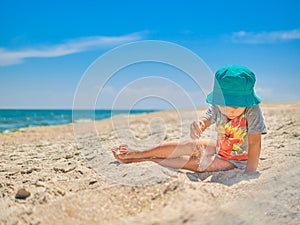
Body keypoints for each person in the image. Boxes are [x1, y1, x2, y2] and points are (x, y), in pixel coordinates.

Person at [111, 65, 267, 173]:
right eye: (224, 105)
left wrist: (250, 172)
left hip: (237, 159)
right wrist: (201, 124)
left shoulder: (252, 110)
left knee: (196, 163)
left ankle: (145, 161)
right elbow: (208, 117)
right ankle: (141, 153)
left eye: (236, 107)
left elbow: (254, 142)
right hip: (220, 147)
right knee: (187, 145)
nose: (229, 111)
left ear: (246, 101)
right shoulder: (219, 105)